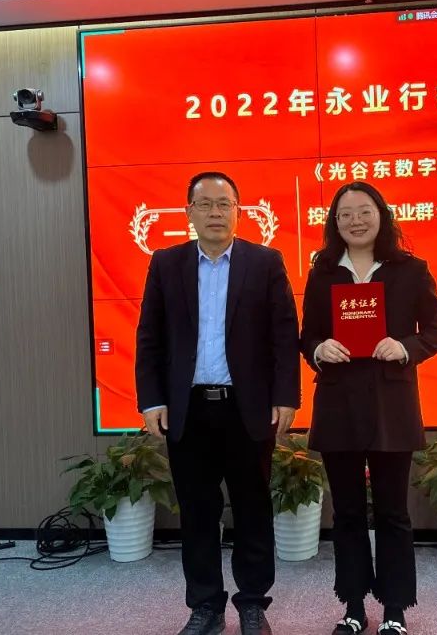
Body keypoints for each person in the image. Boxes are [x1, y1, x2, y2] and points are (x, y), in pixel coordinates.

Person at [135, 171, 300, 635]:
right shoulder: (166, 263)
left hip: (247, 409)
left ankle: (253, 604)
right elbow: (149, 337)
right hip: (188, 409)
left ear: (237, 211)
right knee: (197, 512)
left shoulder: (265, 262)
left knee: (252, 509)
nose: (214, 213)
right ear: (188, 212)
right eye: (204, 204)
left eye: (223, 204)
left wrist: (286, 396)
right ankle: (205, 606)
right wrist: (151, 399)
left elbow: (284, 335)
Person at [300, 181, 437, 635]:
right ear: (334, 223)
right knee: (346, 513)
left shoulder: (410, 269)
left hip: (392, 405)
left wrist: (405, 347)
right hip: (339, 404)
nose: (356, 221)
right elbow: (307, 336)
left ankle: (394, 609)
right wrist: (319, 349)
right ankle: (352, 606)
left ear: (381, 215)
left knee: (392, 513)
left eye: (364, 211)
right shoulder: (323, 272)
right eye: (345, 214)